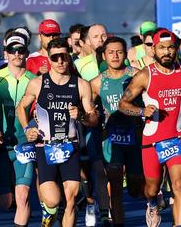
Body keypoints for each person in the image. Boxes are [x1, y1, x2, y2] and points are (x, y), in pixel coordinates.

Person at [119, 29, 181, 227]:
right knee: (152, 188)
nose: (167, 52)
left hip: (177, 137)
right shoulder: (145, 75)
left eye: (171, 47)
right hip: (153, 140)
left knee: (179, 184)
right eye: (162, 48)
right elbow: (123, 104)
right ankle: (153, 203)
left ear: (176, 49)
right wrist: (141, 111)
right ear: (153, 49)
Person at [16, 38, 98, 227]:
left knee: (71, 199)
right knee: (53, 200)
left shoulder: (81, 85)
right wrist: (28, 128)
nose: (60, 61)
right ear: (49, 60)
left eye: (63, 56)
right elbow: (22, 107)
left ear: (69, 56)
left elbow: (93, 119)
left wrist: (82, 116)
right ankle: (49, 212)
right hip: (45, 146)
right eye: (55, 57)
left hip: (70, 145)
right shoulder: (38, 84)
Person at [89, 36, 144, 227]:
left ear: (125, 54)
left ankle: (151, 200)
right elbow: (88, 108)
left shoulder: (137, 74)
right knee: (116, 187)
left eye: (119, 52)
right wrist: (88, 115)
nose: (115, 55)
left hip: (136, 135)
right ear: (104, 56)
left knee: (137, 188)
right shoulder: (96, 82)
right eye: (110, 52)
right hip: (111, 139)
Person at [0, 33, 36, 227]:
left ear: (27, 53)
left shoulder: (35, 81)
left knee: (23, 196)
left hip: (24, 143)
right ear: (5, 54)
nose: (17, 54)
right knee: (5, 202)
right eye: (12, 50)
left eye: (21, 50)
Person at [73, 24, 110, 225]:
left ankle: (106, 213)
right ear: (86, 42)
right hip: (87, 123)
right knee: (88, 169)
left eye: (104, 35)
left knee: (104, 170)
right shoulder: (79, 65)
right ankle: (89, 201)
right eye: (96, 36)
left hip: (111, 124)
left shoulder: (116, 58)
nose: (101, 39)